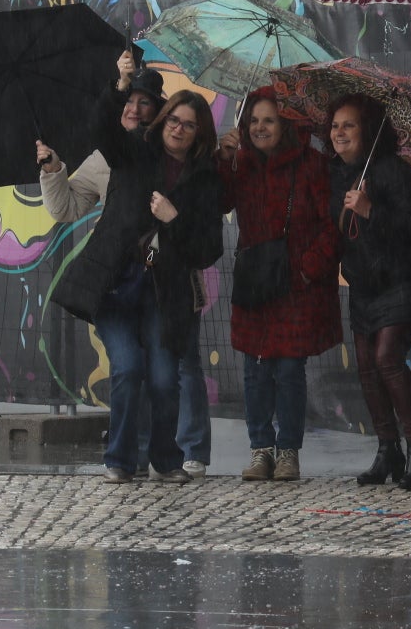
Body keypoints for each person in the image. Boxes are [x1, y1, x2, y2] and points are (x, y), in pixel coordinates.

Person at [54, 53, 224, 485]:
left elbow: (208, 250)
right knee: (128, 368)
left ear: (199, 133)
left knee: (166, 378)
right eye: (173, 120)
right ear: (163, 121)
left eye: (189, 124)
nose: (178, 129)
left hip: (164, 291)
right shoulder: (132, 153)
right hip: (116, 284)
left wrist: (174, 219)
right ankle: (120, 459)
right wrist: (120, 83)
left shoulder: (204, 181)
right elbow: (101, 130)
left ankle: (166, 459)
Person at [215, 89, 341, 482]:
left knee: (288, 370)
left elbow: (331, 225)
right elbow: (218, 201)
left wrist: (306, 269)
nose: (259, 127)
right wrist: (223, 159)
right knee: (254, 369)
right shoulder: (241, 162)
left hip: (296, 285)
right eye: (253, 120)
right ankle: (260, 451)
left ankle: (288, 452)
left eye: (268, 120)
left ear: (284, 123)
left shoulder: (312, 164)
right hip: (256, 281)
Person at [328, 95, 411, 490]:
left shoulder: (393, 171)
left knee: (387, 358)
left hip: (408, 279)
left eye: (349, 125)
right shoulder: (336, 174)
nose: (339, 133)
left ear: (369, 131)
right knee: (365, 367)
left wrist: (370, 210)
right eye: (335, 126)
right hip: (365, 284)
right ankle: (387, 449)